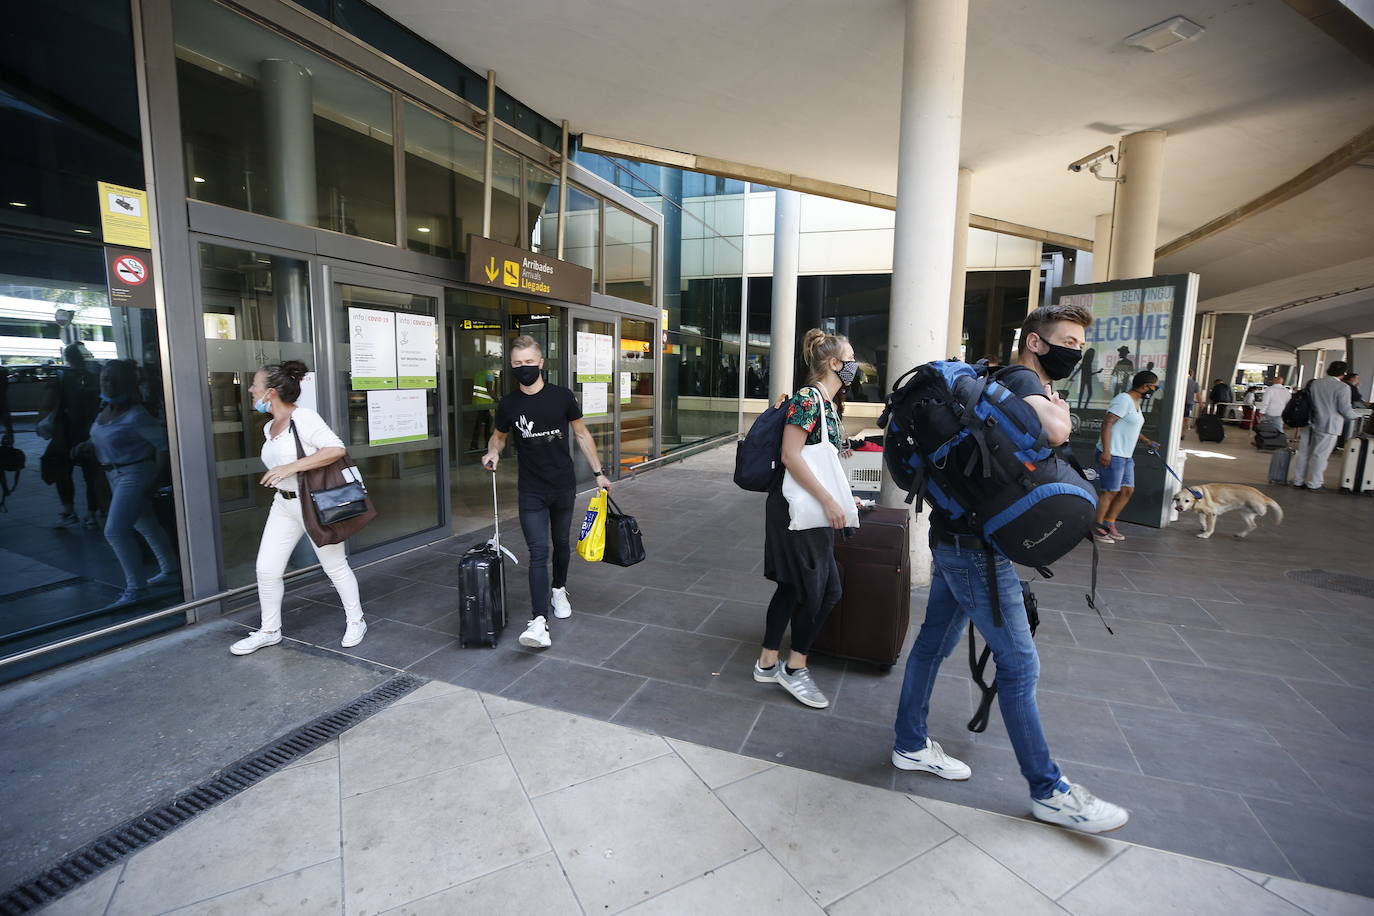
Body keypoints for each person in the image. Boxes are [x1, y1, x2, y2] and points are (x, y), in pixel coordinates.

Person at [892, 302, 1129, 834]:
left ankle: (910, 744)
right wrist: (1055, 405)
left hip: (956, 536)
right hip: (976, 548)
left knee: (932, 646)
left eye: (1079, 343)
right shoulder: (1024, 377)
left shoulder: (995, 377)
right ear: (1036, 342)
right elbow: (1058, 431)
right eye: (1067, 341)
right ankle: (1048, 790)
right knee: (1020, 666)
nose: (1076, 351)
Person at [752, 329, 860, 709]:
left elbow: (821, 461)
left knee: (792, 585)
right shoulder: (808, 399)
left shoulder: (827, 403)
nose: (854, 364)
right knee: (824, 590)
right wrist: (830, 501)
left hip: (804, 508)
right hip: (797, 510)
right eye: (850, 357)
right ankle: (794, 668)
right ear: (833, 363)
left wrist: (844, 498)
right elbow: (791, 455)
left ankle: (768, 662)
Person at [483, 336, 613, 650]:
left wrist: (598, 473)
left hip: (562, 485)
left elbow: (582, 434)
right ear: (512, 366)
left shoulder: (562, 397)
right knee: (538, 552)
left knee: (562, 543)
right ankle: (539, 620)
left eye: (529, 362)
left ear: (541, 363)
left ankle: (559, 588)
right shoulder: (509, 404)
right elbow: (498, 438)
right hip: (531, 489)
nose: (523, 368)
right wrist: (493, 453)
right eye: (517, 364)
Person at [230, 361, 367, 655]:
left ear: (271, 391)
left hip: (313, 503)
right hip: (283, 504)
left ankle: (356, 620)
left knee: (335, 566)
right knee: (266, 569)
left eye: (255, 384)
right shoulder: (269, 426)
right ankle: (269, 631)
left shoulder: (303, 417)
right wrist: (283, 473)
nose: (251, 389)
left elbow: (335, 449)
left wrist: (290, 467)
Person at [77, 360, 179, 607]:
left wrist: (154, 480)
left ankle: (136, 588)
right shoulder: (105, 409)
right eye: (103, 377)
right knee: (146, 525)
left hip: (135, 474)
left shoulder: (136, 415)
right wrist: (88, 446)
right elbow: (106, 437)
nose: (105, 382)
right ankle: (171, 571)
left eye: (111, 378)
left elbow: (163, 447)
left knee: (115, 530)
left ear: (125, 382)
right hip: (114, 474)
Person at [1091, 370, 1160, 544]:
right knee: (1110, 491)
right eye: (1154, 387)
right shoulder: (1123, 400)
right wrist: (1107, 451)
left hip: (1125, 455)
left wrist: (1146, 441)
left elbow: (1131, 426)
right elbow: (1108, 422)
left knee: (1127, 491)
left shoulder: (1136, 402)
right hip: (1113, 453)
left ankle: (1109, 523)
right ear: (1145, 386)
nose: (1155, 390)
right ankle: (1097, 528)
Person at [39, 344, 103, 528]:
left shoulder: (60, 377)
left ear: (67, 357)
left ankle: (68, 511)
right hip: (90, 431)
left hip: (65, 434)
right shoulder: (95, 378)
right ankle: (92, 514)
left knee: (62, 472)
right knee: (90, 475)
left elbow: (46, 403)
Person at [1292, 360, 1357, 491]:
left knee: (1304, 453)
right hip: (1329, 425)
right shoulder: (1343, 387)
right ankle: (1315, 483)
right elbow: (1344, 409)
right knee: (1320, 455)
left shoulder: (1315, 383)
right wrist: (1355, 416)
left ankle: (1298, 481)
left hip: (1309, 422)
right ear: (1343, 374)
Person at [1181, 370, 1201, 436]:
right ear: (1192, 375)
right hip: (1189, 403)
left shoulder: (1180, 381)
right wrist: (1201, 404)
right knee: (1185, 419)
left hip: (1179, 403)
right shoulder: (1194, 383)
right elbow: (1198, 395)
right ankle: (1182, 434)